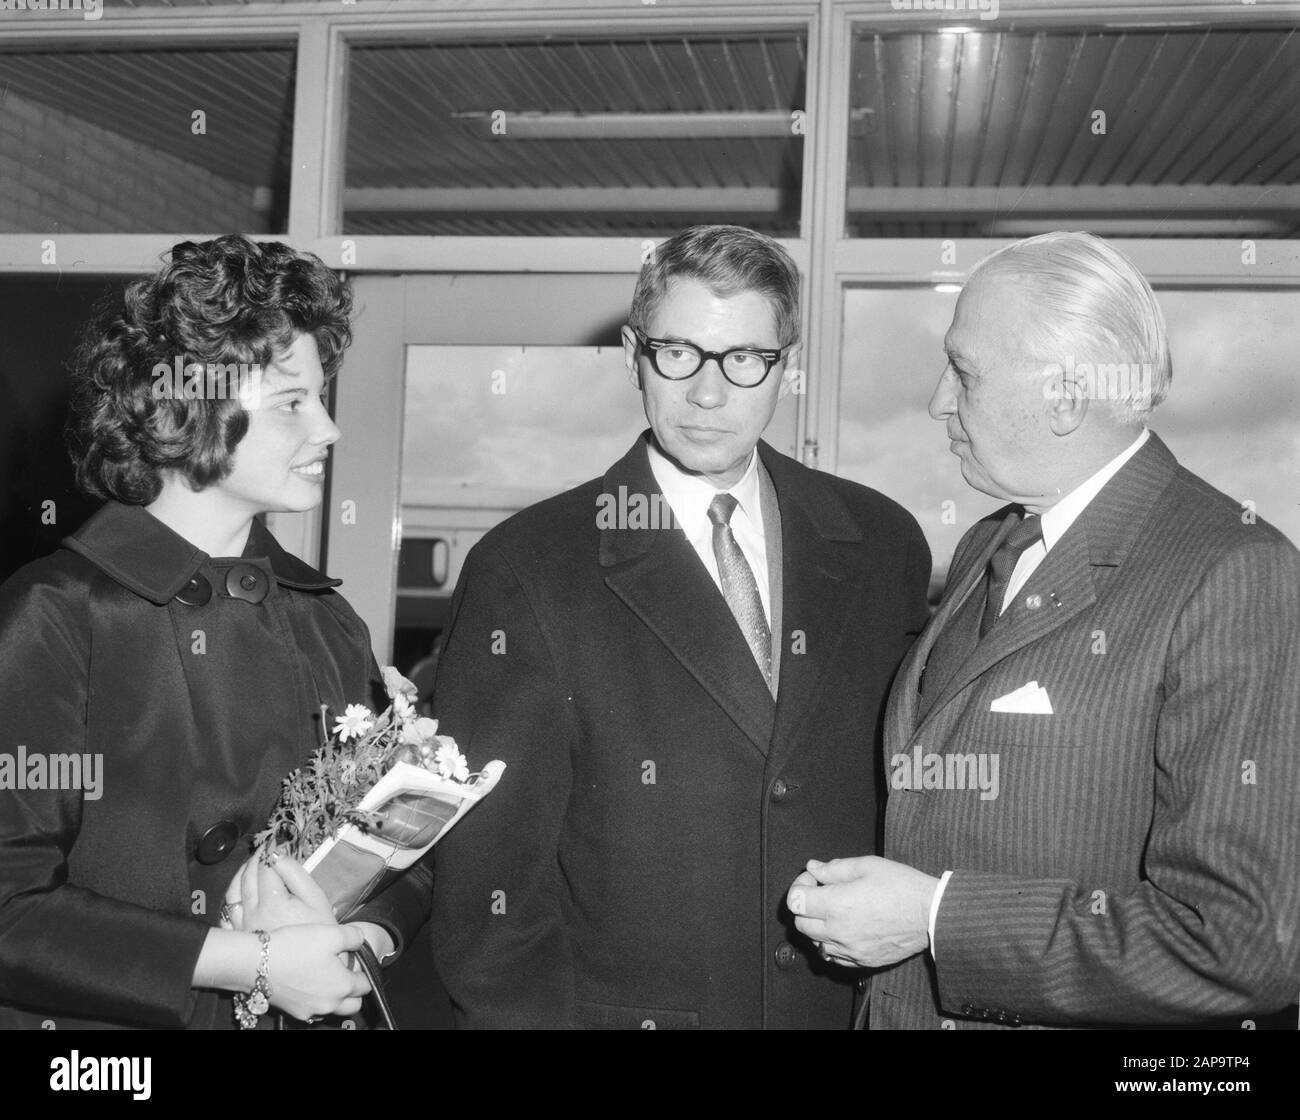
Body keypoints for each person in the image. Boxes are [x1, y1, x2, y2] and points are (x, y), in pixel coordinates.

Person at [788, 231, 1300, 1029]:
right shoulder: (989, 541)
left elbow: (1240, 944)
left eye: (963, 371)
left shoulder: (1236, 573)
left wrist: (935, 917)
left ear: (1067, 394)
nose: (935, 402)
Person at [428, 224, 931, 1029]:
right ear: (634, 352)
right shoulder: (529, 567)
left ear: (787, 367)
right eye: (679, 354)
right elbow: (489, 895)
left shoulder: (881, 543)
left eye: (744, 360)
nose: (708, 393)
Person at [0, 235, 428, 1029]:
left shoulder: (328, 618)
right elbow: (10, 909)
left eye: (323, 397)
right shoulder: (55, 616)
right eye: (295, 401)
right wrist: (253, 965)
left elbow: (405, 856)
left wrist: (361, 939)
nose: (330, 430)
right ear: (186, 405)